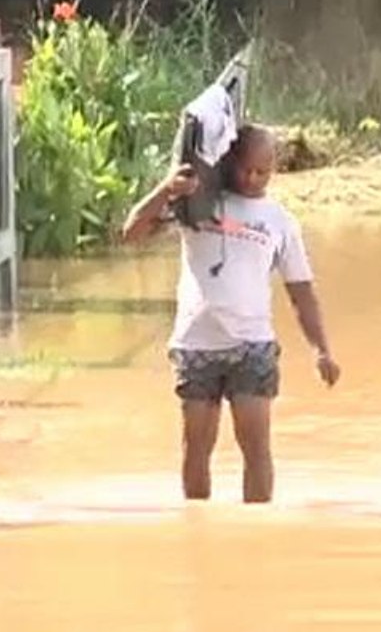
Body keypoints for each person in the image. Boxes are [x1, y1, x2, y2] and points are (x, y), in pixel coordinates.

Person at [121, 123, 340, 504]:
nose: (252, 178)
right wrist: (167, 189)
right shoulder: (198, 203)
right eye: (245, 169)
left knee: (256, 451)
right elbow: (131, 233)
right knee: (195, 451)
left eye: (262, 171)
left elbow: (300, 291)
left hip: (252, 347)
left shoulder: (280, 222)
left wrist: (321, 349)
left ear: (274, 169)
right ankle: (197, 533)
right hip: (196, 346)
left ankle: (254, 538)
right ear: (228, 161)